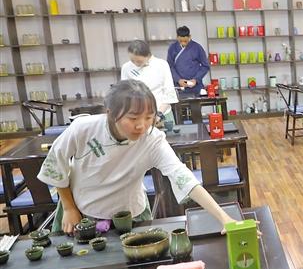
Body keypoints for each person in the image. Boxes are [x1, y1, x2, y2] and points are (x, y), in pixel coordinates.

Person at [38, 80, 234, 234]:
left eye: (149, 117)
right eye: (133, 118)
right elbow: (56, 164)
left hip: (132, 214)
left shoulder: (152, 139)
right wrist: (69, 208)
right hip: (82, 212)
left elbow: (182, 176)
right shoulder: (83, 129)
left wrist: (224, 218)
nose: (141, 125)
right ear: (111, 113)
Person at [121, 39, 178, 125]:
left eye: (139, 61)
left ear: (148, 56)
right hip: (138, 116)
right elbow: (124, 94)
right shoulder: (126, 67)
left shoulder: (161, 64)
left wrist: (159, 114)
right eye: (132, 60)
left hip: (162, 113)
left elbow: (169, 93)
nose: (135, 64)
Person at [167, 25, 209, 95]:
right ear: (177, 37)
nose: (183, 43)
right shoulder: (172, 48)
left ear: (190, 37)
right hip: (179, 86)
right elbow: (170, 66)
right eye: (181, 41)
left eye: (185, 41)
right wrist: (178, 80)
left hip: (195, 86)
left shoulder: (197, 47)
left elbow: (205, 66)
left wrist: (196, 79)